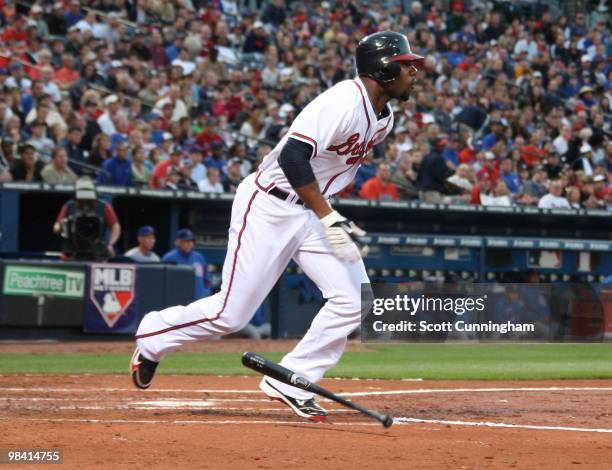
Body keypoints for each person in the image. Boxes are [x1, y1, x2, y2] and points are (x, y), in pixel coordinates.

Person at [131, 31, 422, 422]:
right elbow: (292, 157)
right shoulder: (342, 101)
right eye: (406, 65)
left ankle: (291, 379)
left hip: (314, 209)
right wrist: (329, 216)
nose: (413, 71)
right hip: (270, 204)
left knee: (355, 299)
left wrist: (325, 213)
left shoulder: (384, 118)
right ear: (383, 68)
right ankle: (153, 337)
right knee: (231, 315)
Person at [53, 177, 121, 259]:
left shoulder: (104, 206)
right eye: (82, 191)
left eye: (87, 191)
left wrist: (110, 244)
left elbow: (115, 226)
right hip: (73, 248)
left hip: (97, 249)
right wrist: (59, 228)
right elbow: (57, 224)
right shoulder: (69, 205)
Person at [161, 229, 210, 300]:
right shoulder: (169, 258)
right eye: (186, 241)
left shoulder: (199, 257)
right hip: (178, 302)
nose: (190, 244)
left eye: (191, 241)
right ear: (178, 242)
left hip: (198, 301)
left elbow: (207, 280)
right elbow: (162, 283)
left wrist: (206, 293)